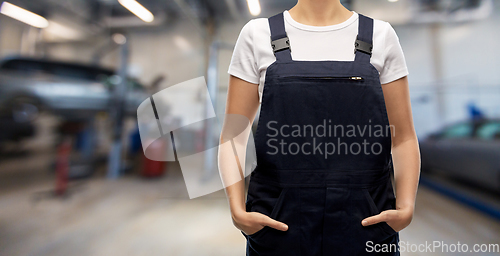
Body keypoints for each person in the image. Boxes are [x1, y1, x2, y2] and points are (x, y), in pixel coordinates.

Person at [219, 0, 420, 255]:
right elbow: (233, 136)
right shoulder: (257, 35)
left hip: (366, 221)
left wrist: (406, 207)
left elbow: (402, 137)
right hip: (279, 224)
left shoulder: (381, 36)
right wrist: (237, 211)